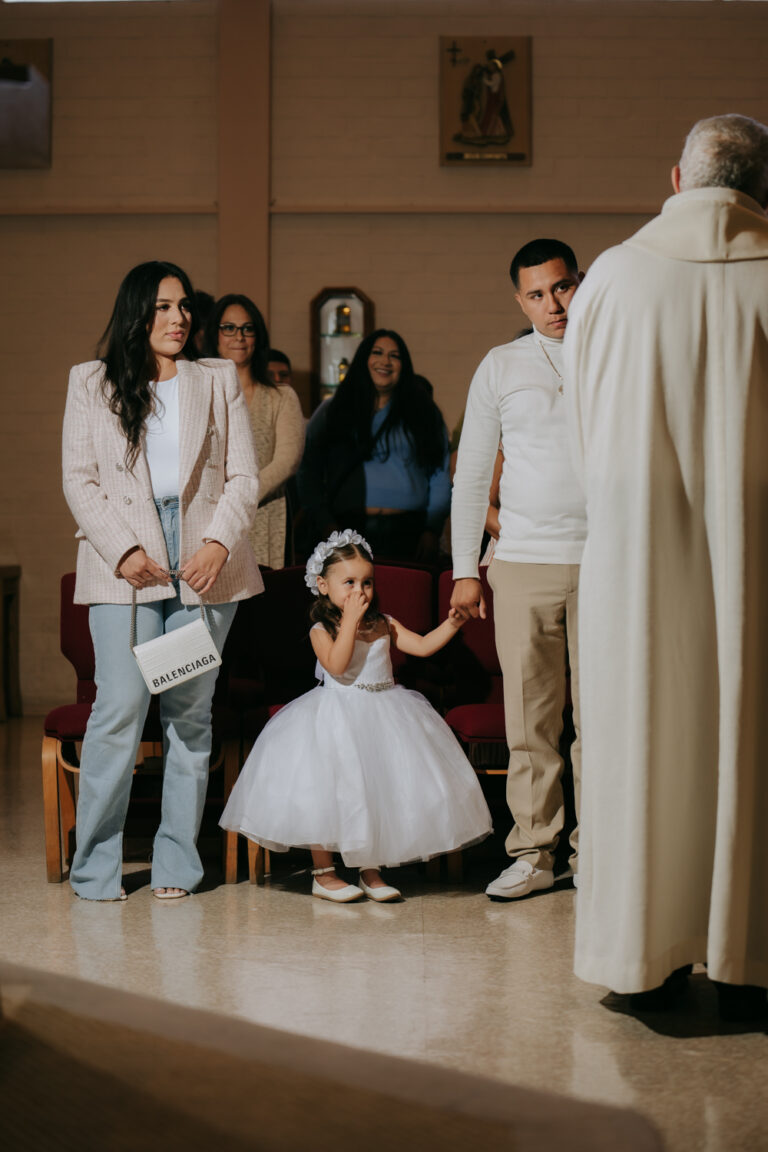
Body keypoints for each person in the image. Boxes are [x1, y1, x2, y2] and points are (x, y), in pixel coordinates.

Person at [563, 114, 768, 1018]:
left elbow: (583, 435)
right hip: (757, 558)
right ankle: (747, 950)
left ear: (676, 178)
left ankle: (643, 957)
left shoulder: (612, 276)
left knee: (644, 732)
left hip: (636, 561)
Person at [62, 260, 262, 902]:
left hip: (201, 561)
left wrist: (216, 542)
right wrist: (121, 550)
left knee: (187, 715)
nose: (177, 319)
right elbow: (78, 478)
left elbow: (243, 476)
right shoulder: (91, 382)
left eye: (182, 307)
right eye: (161, 308)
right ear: (136, 314)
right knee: (118, 711)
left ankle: (177, 865)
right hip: (126, 561)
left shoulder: (216, 378)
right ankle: (94, 868)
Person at [220, 529, 492, 902]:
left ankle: (371, 867)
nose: (359, 591)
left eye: (366, 582)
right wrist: (348, 622)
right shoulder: (321, 629)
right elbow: (336, 664)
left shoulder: (384, 623)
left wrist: (455, 622)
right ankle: (324, 872)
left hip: (385, 713)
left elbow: (424, 646)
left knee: (377, 789)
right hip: (334, 714)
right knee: (327, 791)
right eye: (348, 582)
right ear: (323, 585)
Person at [451, 239, 586, 901]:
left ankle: (599, 857)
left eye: (560, 287)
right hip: (525, 562)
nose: (552, 304)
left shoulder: (613, 349)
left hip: (607, 559)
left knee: (604, 722)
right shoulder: (502, 365)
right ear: (519, 299)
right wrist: (463, 571)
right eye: (536, 293)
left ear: (578, 281)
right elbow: (472, 475)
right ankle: (535, 853)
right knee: (530, 723)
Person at [296, 330, 451, 562]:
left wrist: (432, 529)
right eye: (377, 353)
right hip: (346, 529)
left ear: (404, 364)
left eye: (394, 356)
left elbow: (439, 474)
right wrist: (326, 524)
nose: (385, 361)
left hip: (410, 532)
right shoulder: (333, 410)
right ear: (362, 360)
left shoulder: (425, 413)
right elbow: (308, 471)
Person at [206, 295, 304, 569]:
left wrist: (238, 501)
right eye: (229, 328)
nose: (239, 336)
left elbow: (287, 461)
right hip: (208, 518)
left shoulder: (281, 397)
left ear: (258, 337)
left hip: (263, 515)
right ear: (215, 335)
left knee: (265, 606)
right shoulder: (197, 394)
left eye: (248, 329)